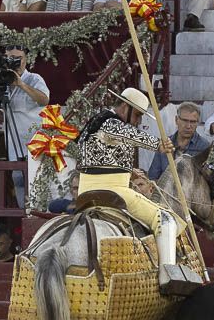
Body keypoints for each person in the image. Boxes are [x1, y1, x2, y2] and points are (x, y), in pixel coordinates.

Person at [71, 86, 201, 293]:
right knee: (165, 219)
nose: (139, 120)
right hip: (113, 192)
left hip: (85, 191)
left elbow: (101, 159)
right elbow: (128, 134)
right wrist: (159, 144)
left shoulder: (96, 121)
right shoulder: (111, 122)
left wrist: (129, 171)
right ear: (125, 106)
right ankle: (168, 276)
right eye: (138, 114)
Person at [1, 43, 48, 206]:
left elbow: (44, 100)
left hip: (35, 148)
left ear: (26, 60)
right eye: (10, 58)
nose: (15, 62)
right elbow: (6, 116)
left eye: (19, 58)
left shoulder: (34, 78)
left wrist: (20, 84)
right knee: (21, 194)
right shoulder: (4, 82)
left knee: (38, 193)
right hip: (14, 150)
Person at [148, 101, 209, 181]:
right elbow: (153, 177)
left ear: (197, 123)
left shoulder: (204, 147)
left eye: (193, 122)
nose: (188, 126)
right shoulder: (165, 144)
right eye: (185, 121)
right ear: (176, 120)